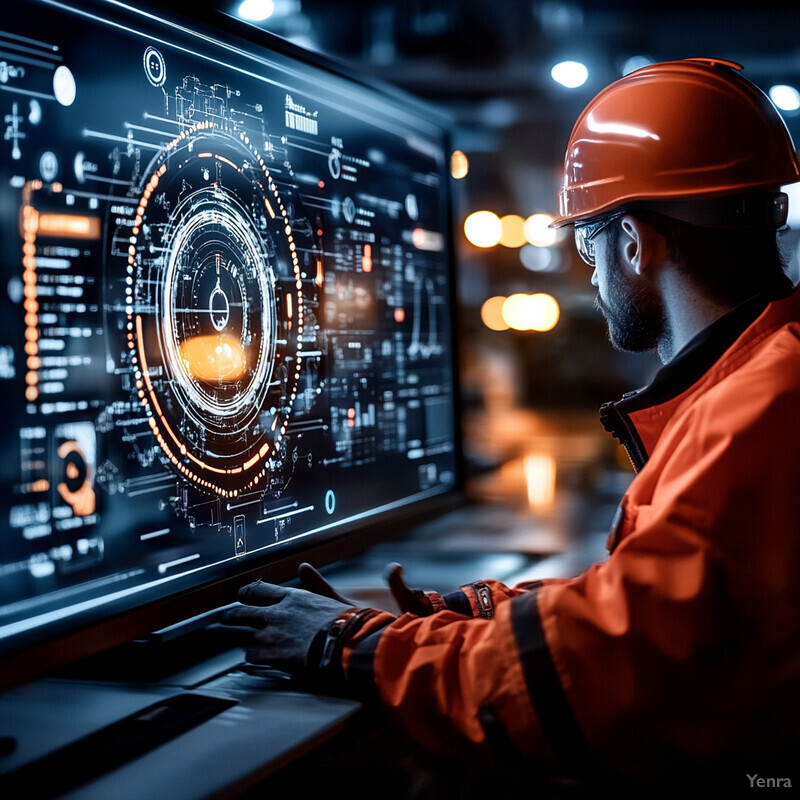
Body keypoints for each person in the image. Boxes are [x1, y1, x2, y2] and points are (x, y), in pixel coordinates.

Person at [222, 58, 800, 794]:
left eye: (588, 245)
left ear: (635, 243)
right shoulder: (766, 379)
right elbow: (659, 609)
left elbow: (595, 684)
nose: (590, 273)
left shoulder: (754, 411)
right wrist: (462, 614)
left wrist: (349, 645)